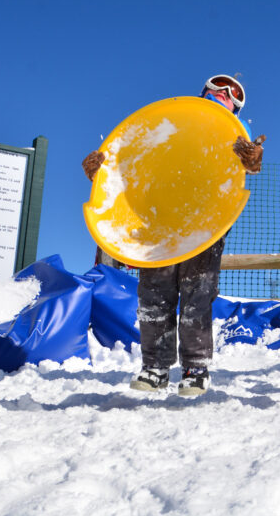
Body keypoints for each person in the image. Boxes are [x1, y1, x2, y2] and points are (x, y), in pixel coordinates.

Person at [82, 74, 265, 395]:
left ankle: (196, 368)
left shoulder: (235, 134)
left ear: (236, 108)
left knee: (197, 296)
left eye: (232, 94)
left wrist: (251, 161)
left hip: (206, 223)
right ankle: (154, 367)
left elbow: (241, 171)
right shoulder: (174, 123)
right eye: (217, 88)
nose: (223, 93)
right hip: (159, 221)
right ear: (203, 91)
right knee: (154, 296)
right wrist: (102, 173)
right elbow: (137, 160)